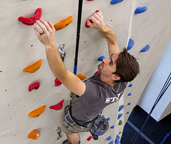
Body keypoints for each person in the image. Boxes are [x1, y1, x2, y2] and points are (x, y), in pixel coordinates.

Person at [33, 11, 139, 144]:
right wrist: (102, 26)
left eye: (110, 63)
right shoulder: (124, 78)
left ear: (116, 76)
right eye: (110, 58)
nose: (105, 60)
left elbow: (63, 76)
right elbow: (112, 40)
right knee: (85, 120)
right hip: (91, 114)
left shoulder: (95, 94)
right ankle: (91, 129)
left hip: (76, 120)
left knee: (70, 130)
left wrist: (49, 45)